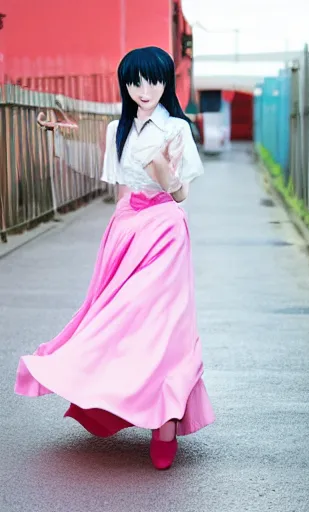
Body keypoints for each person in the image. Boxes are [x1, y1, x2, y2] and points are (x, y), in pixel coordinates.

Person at [14, 47, 215, 470]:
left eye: (154, 81)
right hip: (124, 230)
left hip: (164, 230)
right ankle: (118, 395)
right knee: (116, 320)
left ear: (166, 83)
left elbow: (181, 196)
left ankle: (165, 424)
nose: (145, 90)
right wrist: (60, 138)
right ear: (125, 85)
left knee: (163, 326)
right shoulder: (115, 130)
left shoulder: (177, 128)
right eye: (136, 82)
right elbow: (104, 174)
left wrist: (167, 176)